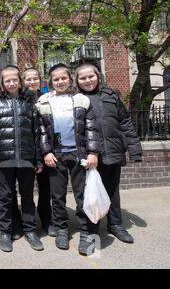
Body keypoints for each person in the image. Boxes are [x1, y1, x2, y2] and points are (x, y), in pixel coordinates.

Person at [36, 63, 100, 256]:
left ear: (70, 80)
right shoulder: (44, 102)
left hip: (79, 154)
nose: (60, 82)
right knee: (57, 196)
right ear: (51, 83)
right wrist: (46, 152)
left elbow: (91, 128)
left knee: (83, 197)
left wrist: (93, 153)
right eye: (56, 79)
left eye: (64, 78)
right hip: (56, 156)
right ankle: (62, 229)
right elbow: (42, 132)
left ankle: (85, 233)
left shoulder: (80, 100)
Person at [75, 63, 142, 244]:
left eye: (91, 76)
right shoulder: (76, 99)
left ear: (98, 76)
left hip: (112, 151)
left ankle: (115, 224)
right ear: (77, 81)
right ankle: (91, 230)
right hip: (89, 155)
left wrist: (134, 148)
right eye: (83, 78)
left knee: (112, 191)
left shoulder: (111, 95)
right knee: (91, 193)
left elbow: (125, 121)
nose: (88, 80)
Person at [0, 66, 44, 252]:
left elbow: (36, 133)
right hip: (4, 159)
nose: (11, 83)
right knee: (5, 197)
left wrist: (38, 159)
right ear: (2, 83)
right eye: (7, 80)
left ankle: (30, 230)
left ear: (20, 81)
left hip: (26, 158)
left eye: (14, 80)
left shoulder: (29, 102)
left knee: (27, 197)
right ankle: (5, 232)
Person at [22, 66, 56, 237]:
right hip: (28, 150)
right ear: (23, 81)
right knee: (26, 189)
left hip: (45, 149)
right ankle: (27, 222)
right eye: (28, 79)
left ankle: (47, 219)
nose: (32, 81)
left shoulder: (48, 98)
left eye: (35, 78)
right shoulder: (21, 99)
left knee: (45, 187)